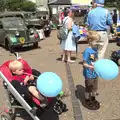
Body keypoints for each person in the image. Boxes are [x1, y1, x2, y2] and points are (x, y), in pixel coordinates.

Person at [83, 31, 103, 108]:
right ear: (90, 41)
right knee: (88, 88)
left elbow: (95, 60)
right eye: (96, 41)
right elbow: (84, 64)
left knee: (95, 87)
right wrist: (91, 67)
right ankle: (87, 99)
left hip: (95, 72)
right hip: (89, 73)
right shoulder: (87, 51)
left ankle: (93, 98)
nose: (98, 43)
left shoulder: (95, 49)